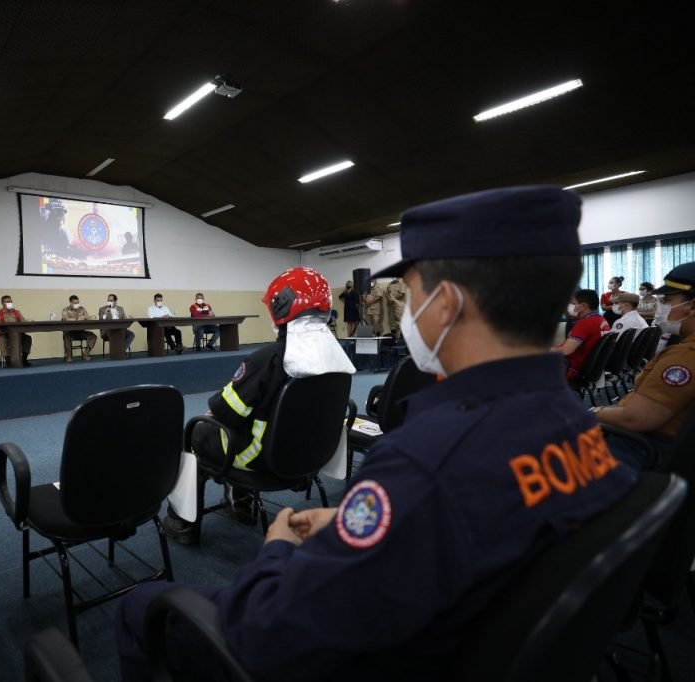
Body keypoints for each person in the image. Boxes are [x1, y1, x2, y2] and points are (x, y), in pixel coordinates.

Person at [117, 186, 636, 682]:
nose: (405, 310)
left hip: (366, 657)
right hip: (465, 641)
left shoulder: (425, 458)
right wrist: (356, 521)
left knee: (140, 608)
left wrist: (276, 549)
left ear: (447, 303)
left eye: (410, 292)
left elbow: (266, 636)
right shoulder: (576, 423)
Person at [160, 267, 354, 545]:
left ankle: (183, 522)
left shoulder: (268, 358)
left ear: (281, 306)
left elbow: (225, 410)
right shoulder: (338, 356)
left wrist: (208, 417)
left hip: (262, 459)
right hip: (310, 457)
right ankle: (240, 504)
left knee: (193, 434)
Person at [595, 262, 695, 469]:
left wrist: (591, 411)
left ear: (692, 306)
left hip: (643, 447)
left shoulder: (686, 355)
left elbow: (636, 419)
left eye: (667, 300)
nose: (660, 307)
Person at [553, 288, 609, 386]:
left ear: (582, 306)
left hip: (570, 369)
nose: (569, 306)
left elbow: (566, 350)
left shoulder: (585, 323)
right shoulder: (602, 320)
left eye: (573, 303)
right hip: (586, 368)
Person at [0, 295, 32, 367]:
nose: (10, 303)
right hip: (5, 334)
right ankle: (8, 361)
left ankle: (23, 359)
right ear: (3, 304)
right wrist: (1, 332)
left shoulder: (17, 312)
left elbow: (23, 321)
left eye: (11, 301)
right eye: (8, 302)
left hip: (18, 334)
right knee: (2, 339)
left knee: (27, 338)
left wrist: (30, 322)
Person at [61, 294, 96, 362]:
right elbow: (66, 319)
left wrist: (85, 318)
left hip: (80, 331)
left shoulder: (82, 309)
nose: (77, 304)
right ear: (71, 303)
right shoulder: (66, 310)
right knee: (66, 337)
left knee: (93, 336)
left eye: (78, 302)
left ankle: (85, 353)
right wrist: (77, 318)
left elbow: (88, 317)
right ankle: (68, 356)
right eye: (75, 303)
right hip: (70, 332)